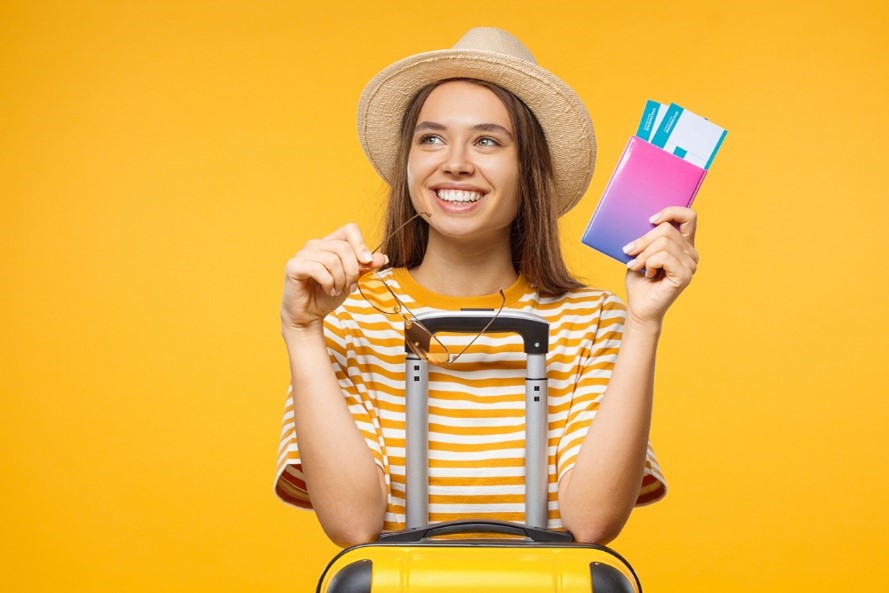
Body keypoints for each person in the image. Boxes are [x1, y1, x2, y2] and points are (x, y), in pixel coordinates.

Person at [274, 27, 699, 548]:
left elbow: (591, 524)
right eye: (431, 138)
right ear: (407, 164)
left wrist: (644, 321)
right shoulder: (344, 316)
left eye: (487, 141)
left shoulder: (596, 322)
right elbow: (354, 526)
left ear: (529, 170)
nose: (454, 162)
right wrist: (302, 331)